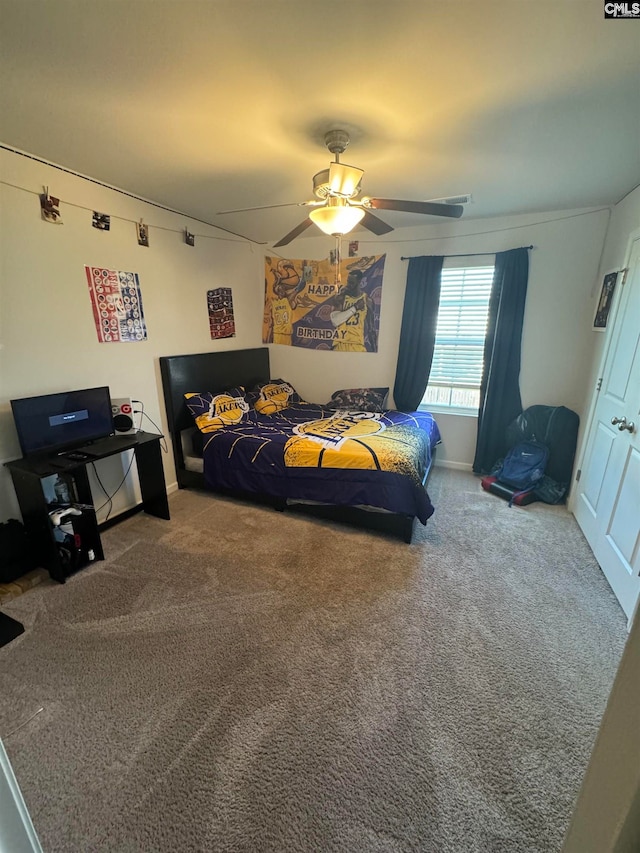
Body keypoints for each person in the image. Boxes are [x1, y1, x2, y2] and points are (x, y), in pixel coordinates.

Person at [328, 269, 377, 352]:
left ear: (359, 282)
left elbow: (371, 329)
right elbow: (335, 321)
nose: (348, 285)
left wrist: (375, 352)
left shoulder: (367, 300)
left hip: (357, 344)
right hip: (341, 343)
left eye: (352, 283)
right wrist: (355, 307)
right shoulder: (342, 297)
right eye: (348, 282)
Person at [263, 259, 306, 345]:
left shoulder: (283, 301)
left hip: (285, 334)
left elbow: (301, 286)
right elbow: (301, 284)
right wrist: (307, 268)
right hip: (277, 334)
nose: (281, 290)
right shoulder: (282, 301)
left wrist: (307, 268)